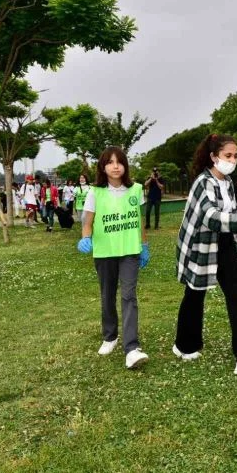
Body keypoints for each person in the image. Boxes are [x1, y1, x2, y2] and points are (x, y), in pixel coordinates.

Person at [174, 134, 237, 376]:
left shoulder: (227, 182)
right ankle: (185, 345)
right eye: (228, 155)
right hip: (202, 245)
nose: (233, 160)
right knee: (194, 294)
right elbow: (212, 218)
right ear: (213, 157)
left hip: (224, 243)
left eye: (235, 156)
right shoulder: (202, 183)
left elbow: (229, 212)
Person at [77, 147, 150, 370]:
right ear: (103, 166)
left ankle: (131, 348)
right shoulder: (94, 192)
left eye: (119, 162)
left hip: (129, 251)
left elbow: (139, 221)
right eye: (110, 162)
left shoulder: (136, 189)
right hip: (105, 252)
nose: (115, 166)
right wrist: (86, 238)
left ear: (126, 165)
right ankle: (110, 337)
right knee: (107, 294)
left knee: (129, 295)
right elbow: (87, 222)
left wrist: (144, 245)